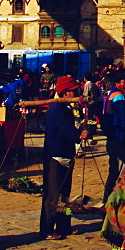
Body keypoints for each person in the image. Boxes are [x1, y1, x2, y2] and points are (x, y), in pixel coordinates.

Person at [40, 79, 81, 240]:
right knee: (52, 195)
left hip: (66, 154)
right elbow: (66, 129)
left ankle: (65, 225)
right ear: (66, 92)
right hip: (55, 156)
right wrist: (78, 135)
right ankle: (47, 229)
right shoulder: (57, 108)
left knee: (65, 195)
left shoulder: (66, 107)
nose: (76, 94)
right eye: (73, 91)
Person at [101, 68, 125, 204]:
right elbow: (121, 120)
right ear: (118, 82)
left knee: (113, 172)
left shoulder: (110, 95)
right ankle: (115, 203)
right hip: (118, 141)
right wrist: (124, 141)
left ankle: (107, 200)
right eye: (124, 81)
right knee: (121, 174)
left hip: (111, 139)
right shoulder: (118, 96)